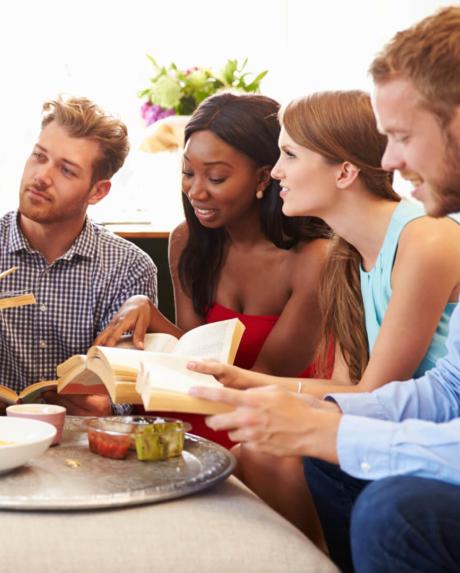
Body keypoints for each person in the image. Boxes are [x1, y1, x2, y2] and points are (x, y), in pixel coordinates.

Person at [191, 7, 460, 572]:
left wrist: (332, 432)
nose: (388, 161)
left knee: (397, 513)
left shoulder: (431, 238)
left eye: (403, 136)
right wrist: (321, 413)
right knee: (308, 455)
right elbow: (457, 386)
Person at [96, 92, 331, 445]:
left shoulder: (314, 260)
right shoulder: (188, 241)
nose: (195, 192)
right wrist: (147, 309)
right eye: (188, 172)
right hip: (205, 401)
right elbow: (196, 352)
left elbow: (262, 377)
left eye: (216, 178)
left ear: (264, 177)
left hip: (263, 417)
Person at [0, 96, 158, 420]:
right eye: (39, 157)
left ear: (97, 191)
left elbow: (126, 379)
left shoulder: (130, 267)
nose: (42, 176)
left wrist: (109, 406)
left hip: (82, 449)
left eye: (66, 171)